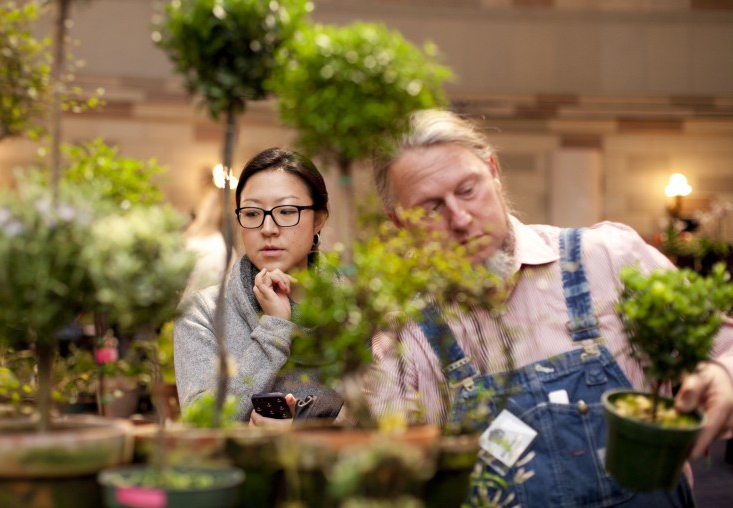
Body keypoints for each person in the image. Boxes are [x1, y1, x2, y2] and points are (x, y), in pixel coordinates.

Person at [367, 109, 733, 506]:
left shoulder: (608, 259)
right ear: (400, 224)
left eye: (468, 189)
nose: (460, 218)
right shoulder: (405, 337)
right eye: (431, 208)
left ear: (493, 170)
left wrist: (723, 374)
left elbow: (724, 344)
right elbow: (382, 480)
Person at [174, 147, 343, 426]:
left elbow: (382, 422)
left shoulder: (355, 310)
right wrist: (275, 330)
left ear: (318, 220)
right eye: (252, 213)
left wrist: (298, 438)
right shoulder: (203, 312)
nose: (268, 228)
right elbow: (199, 424)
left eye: (286, 211)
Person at [181, 186, 234, 302]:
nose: (209, 211)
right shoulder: (187, 239)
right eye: (207, 205)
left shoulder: (223, 249)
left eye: (215, 206)